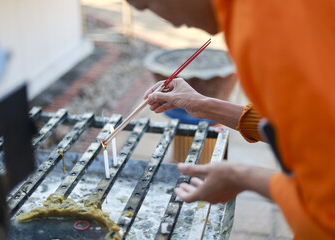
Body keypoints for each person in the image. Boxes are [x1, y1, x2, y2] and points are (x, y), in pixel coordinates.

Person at [126, 0, 335, 239]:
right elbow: (304, 132)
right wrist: (203, 105)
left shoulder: (265, 24)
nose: (144, 11)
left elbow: (326, 215)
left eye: (144, 3)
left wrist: (243, 177)